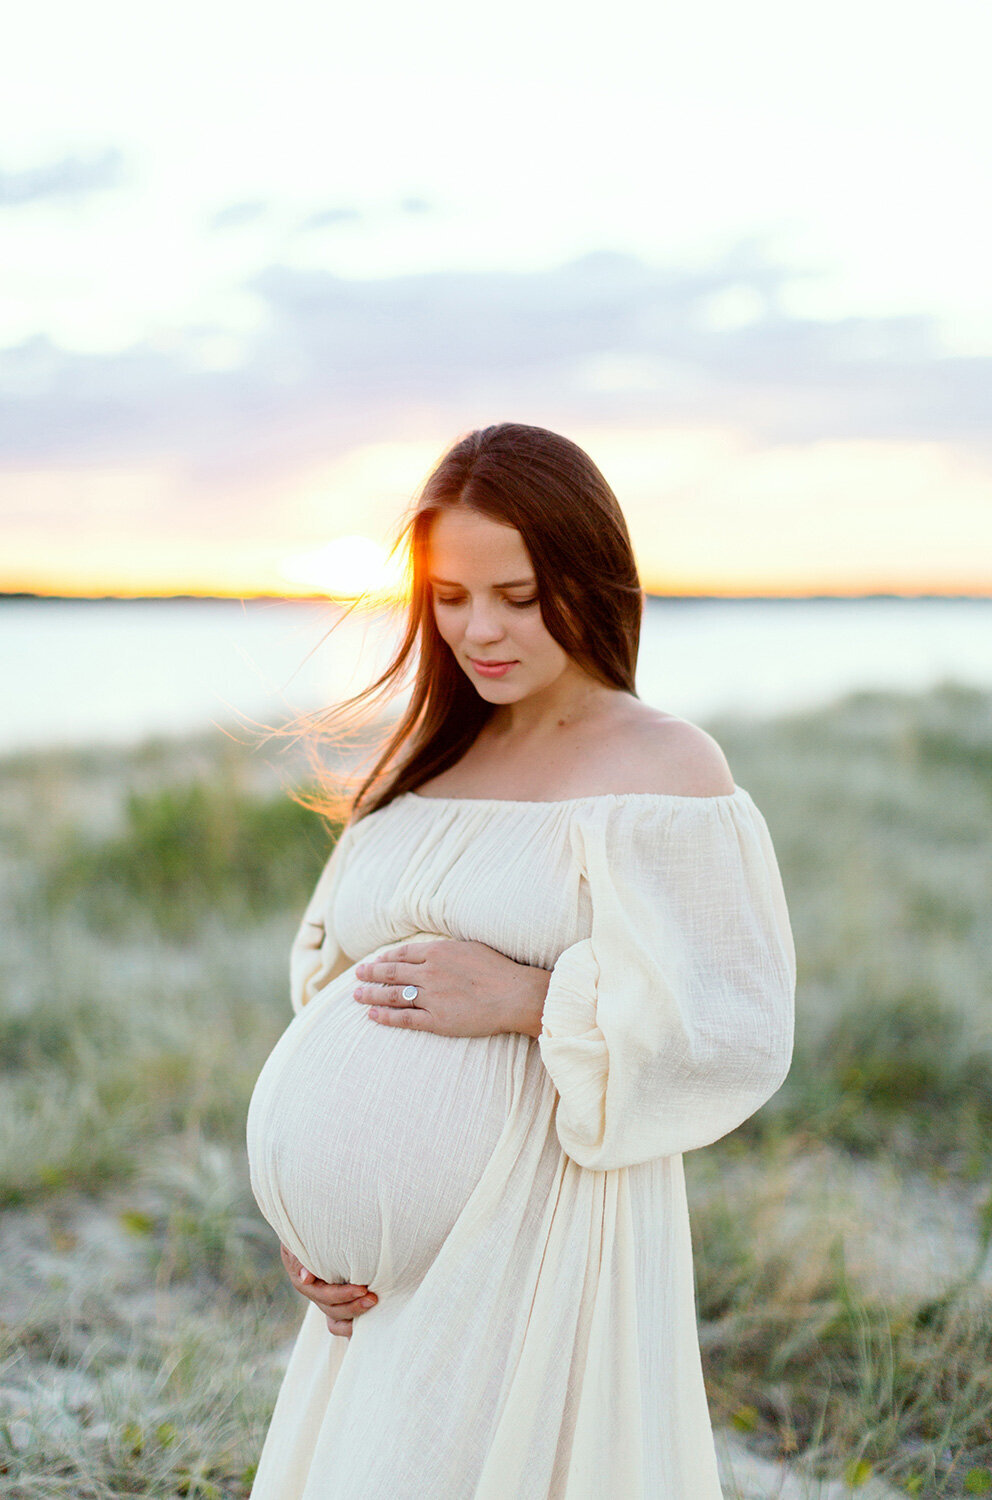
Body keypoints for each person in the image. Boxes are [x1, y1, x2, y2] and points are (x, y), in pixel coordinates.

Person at [246, 422, 796, 1499]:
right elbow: (336, 990)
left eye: (517, 592)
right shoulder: (426, 757)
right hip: (369, 1289)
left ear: (589, 577)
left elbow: (732, 1027)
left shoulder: (665, 765)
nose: (478, 630)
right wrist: (312, 1218)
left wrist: (531, 997)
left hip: (541, 1244)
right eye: (449, 596)